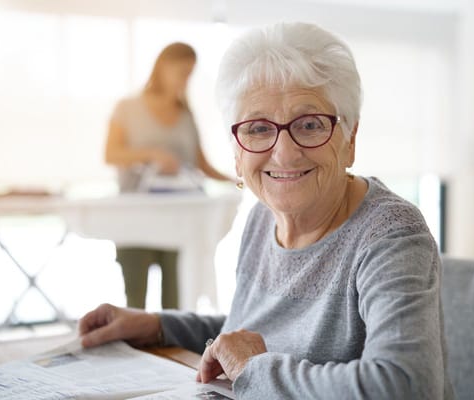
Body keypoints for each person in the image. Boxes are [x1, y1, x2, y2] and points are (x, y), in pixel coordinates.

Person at [79, 23, 454, 399]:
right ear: (237, 151)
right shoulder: (263, 217)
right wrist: (157, 325)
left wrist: (253, 369)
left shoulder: (391, 235)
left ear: (350, 138)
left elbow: (405, 388)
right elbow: (250, 330)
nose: (285, 153)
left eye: (310, 124)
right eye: (258, 128)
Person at [104, 42, 231, 310]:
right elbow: (111, 154)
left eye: (190, 73)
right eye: (182, 71)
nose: (186, 79)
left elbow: (201, 165)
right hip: (136, 218)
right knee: (135, 301)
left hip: (179, 220)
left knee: (176, 304)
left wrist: (241, 179)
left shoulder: (185, 114)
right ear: (163, 67)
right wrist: (151, 154)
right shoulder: (127, 108)